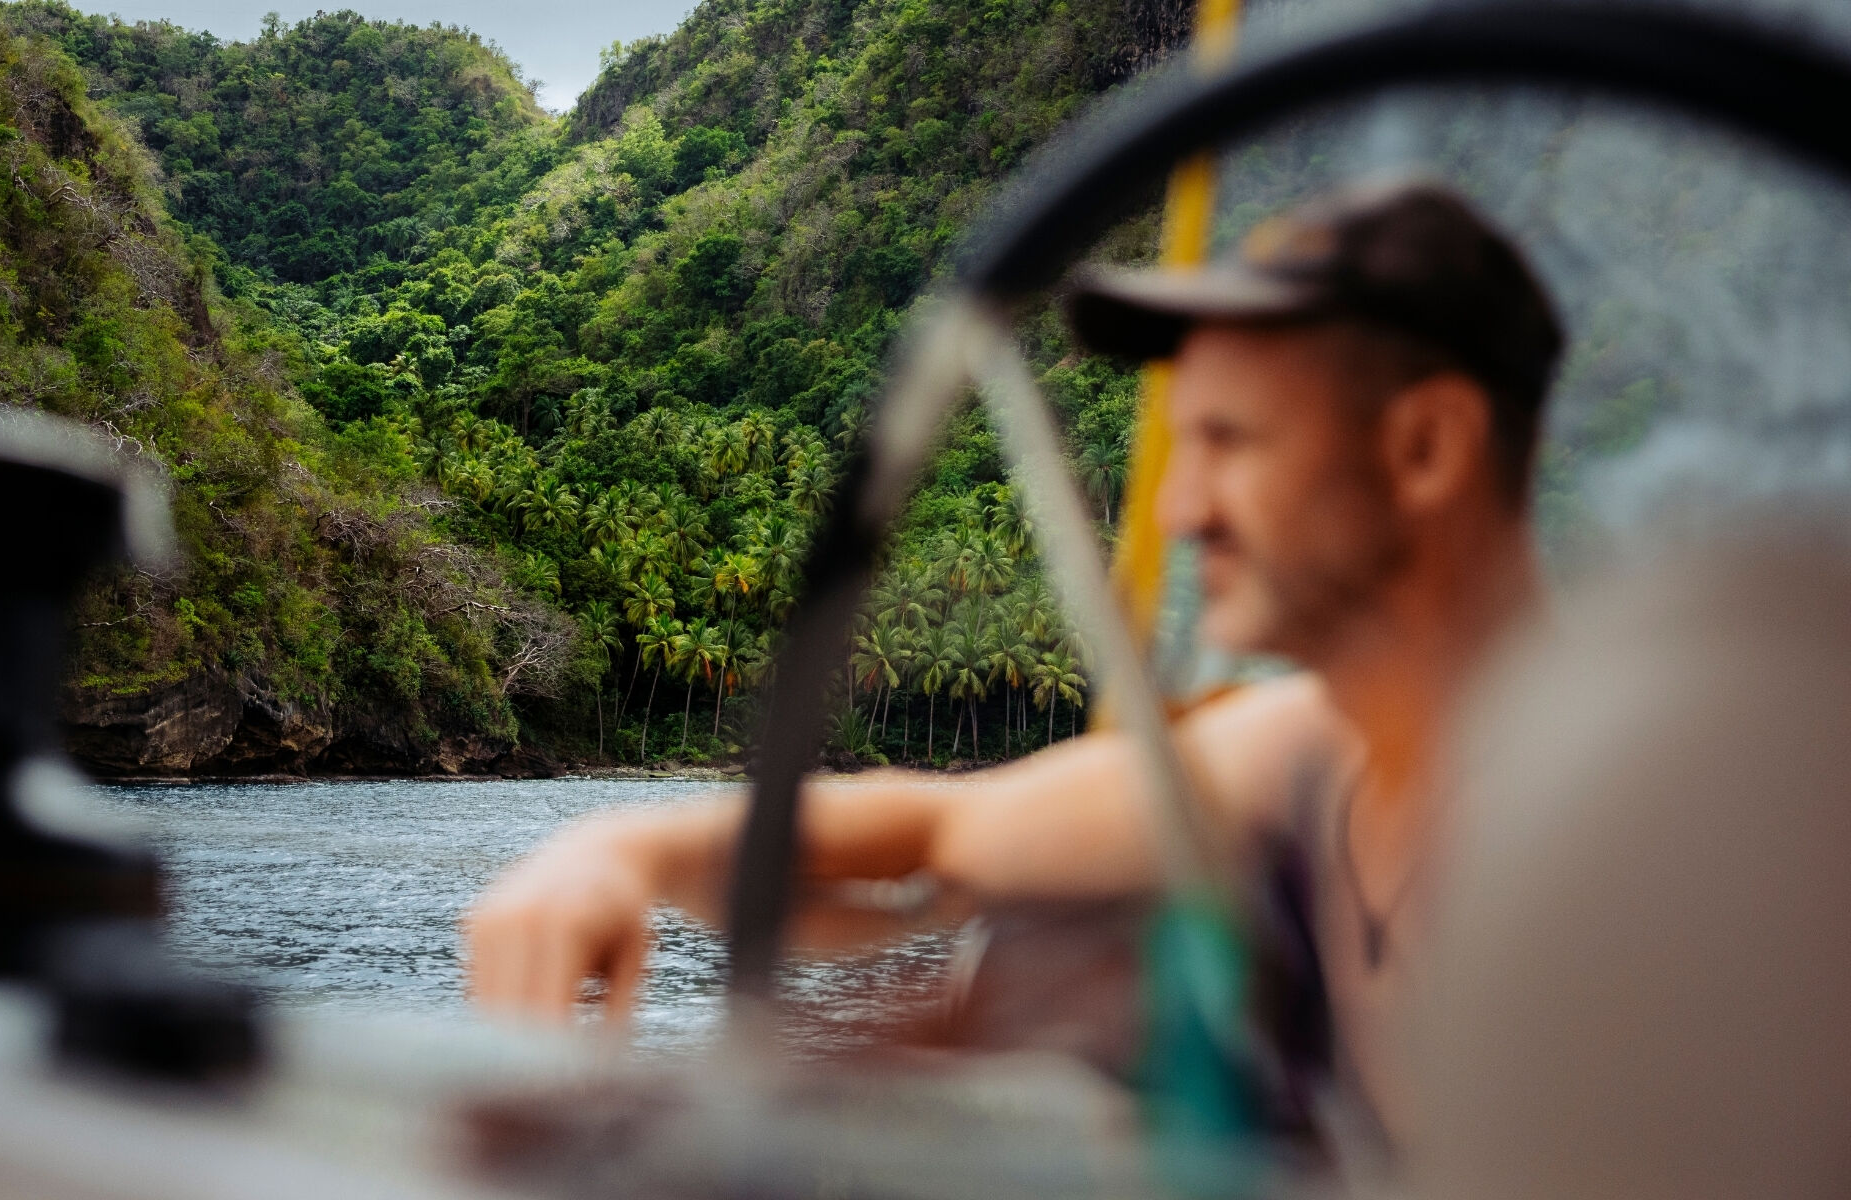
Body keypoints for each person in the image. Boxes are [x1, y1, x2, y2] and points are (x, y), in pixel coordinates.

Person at [464, 179, 1564, 1152]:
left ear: (1426, 448)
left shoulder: (1627, 827)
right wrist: (613, 851)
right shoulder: (1304, 754)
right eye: (1181, 453)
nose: (1180, 511)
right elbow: (933, 836)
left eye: (1230, 444)